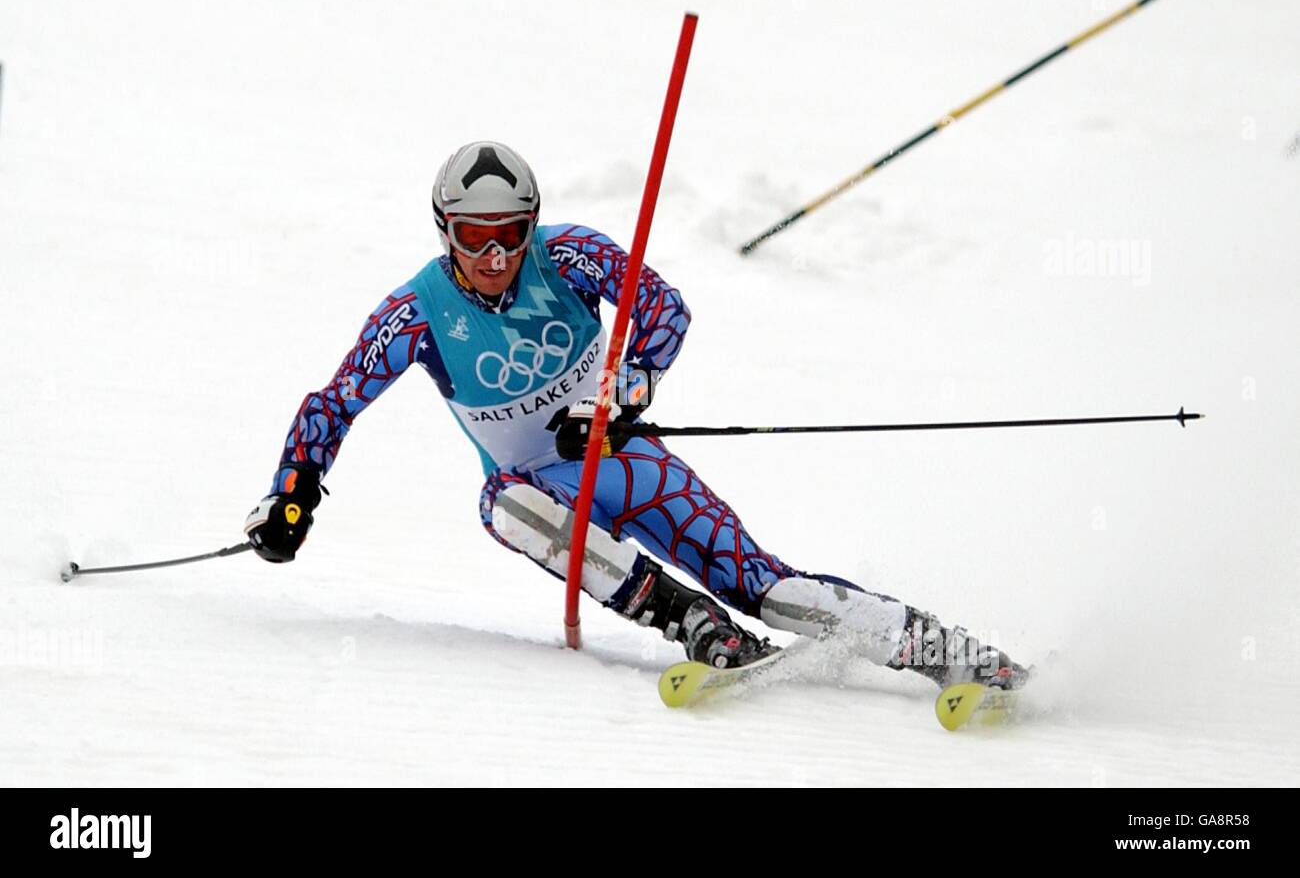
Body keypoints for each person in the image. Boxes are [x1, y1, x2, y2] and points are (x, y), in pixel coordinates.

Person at [243, 140, 1028, 688]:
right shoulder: (416, 312)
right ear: (444, 231)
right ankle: (692, 624)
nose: (492, 257)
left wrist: (621, 397)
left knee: (767, 585)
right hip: (539, 493)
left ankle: (944, 649)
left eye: (510, 235)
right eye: (473, 237)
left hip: (622, 465)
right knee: (501, 505)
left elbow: (664, 312)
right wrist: (294, 492)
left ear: (531, 225)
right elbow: (334, 402)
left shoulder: (572, 255)